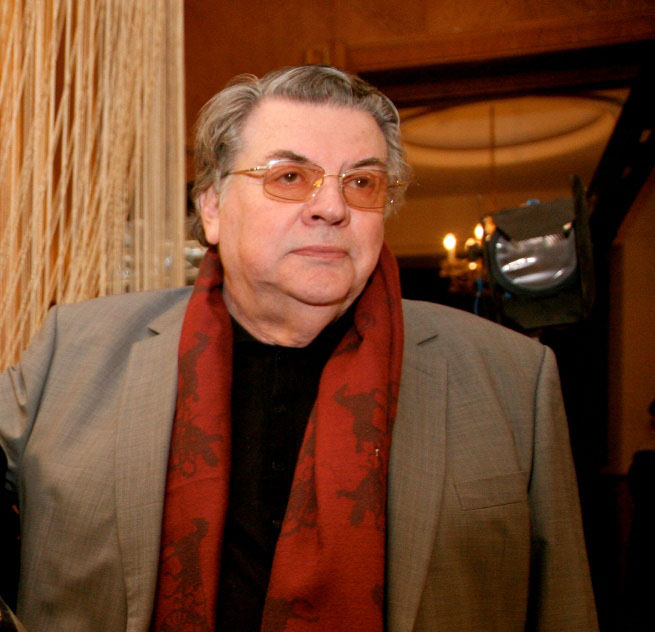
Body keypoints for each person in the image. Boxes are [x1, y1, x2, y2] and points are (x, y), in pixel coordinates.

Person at [0, 65, 598, 632]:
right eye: (289, 177)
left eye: (361, 183)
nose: (332, 208)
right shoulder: (73, 350)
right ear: (212, 207)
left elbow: (563, 608)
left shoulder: (512, 378)